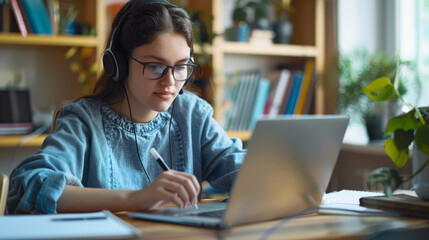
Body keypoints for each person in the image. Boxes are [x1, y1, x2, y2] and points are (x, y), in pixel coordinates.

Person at [7, 0, 245, 214]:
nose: (170, 82)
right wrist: (137, 198)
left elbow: (242, 168)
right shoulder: (83, 121)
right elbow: (29, 183)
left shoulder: (193, 114)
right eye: (155, 66)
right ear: (117, 64)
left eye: (181, 67)